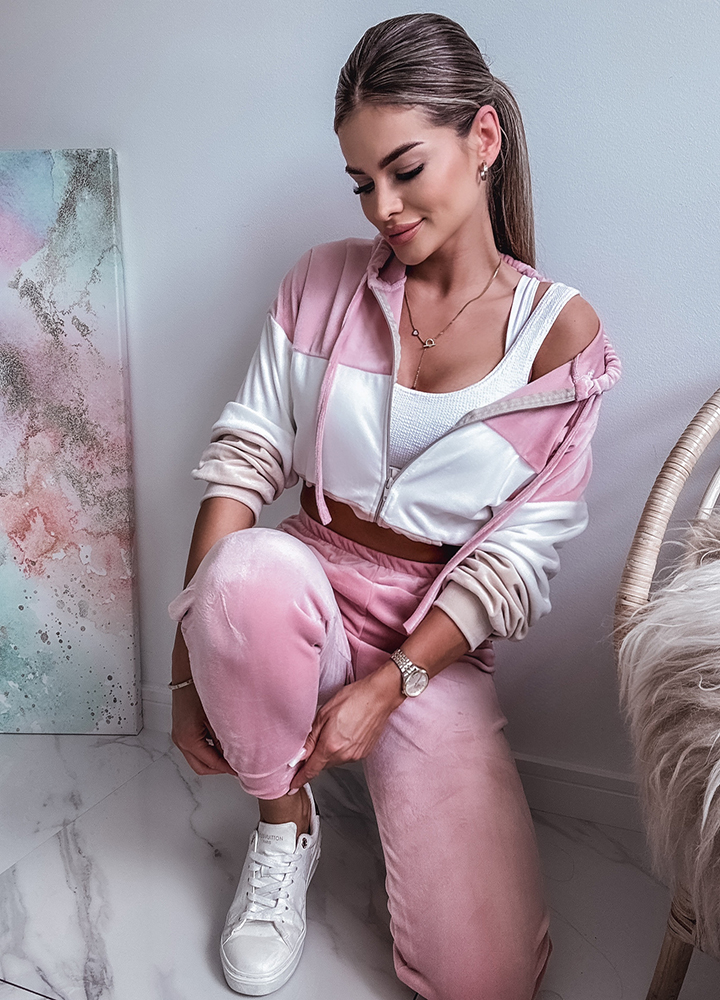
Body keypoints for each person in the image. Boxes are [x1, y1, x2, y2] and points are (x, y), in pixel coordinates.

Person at [168, 12, 620, 1000]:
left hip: (432, 636)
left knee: (486, 978)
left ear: (483, 138)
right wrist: (184, 665)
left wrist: (393, 683)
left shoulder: (558, 338)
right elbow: (244, 462)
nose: (382, 206)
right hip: (301, 585)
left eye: (404, 169)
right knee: (243, 574)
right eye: (361, 181)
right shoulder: (322, 282)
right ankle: (285, 825)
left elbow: (517, 557)